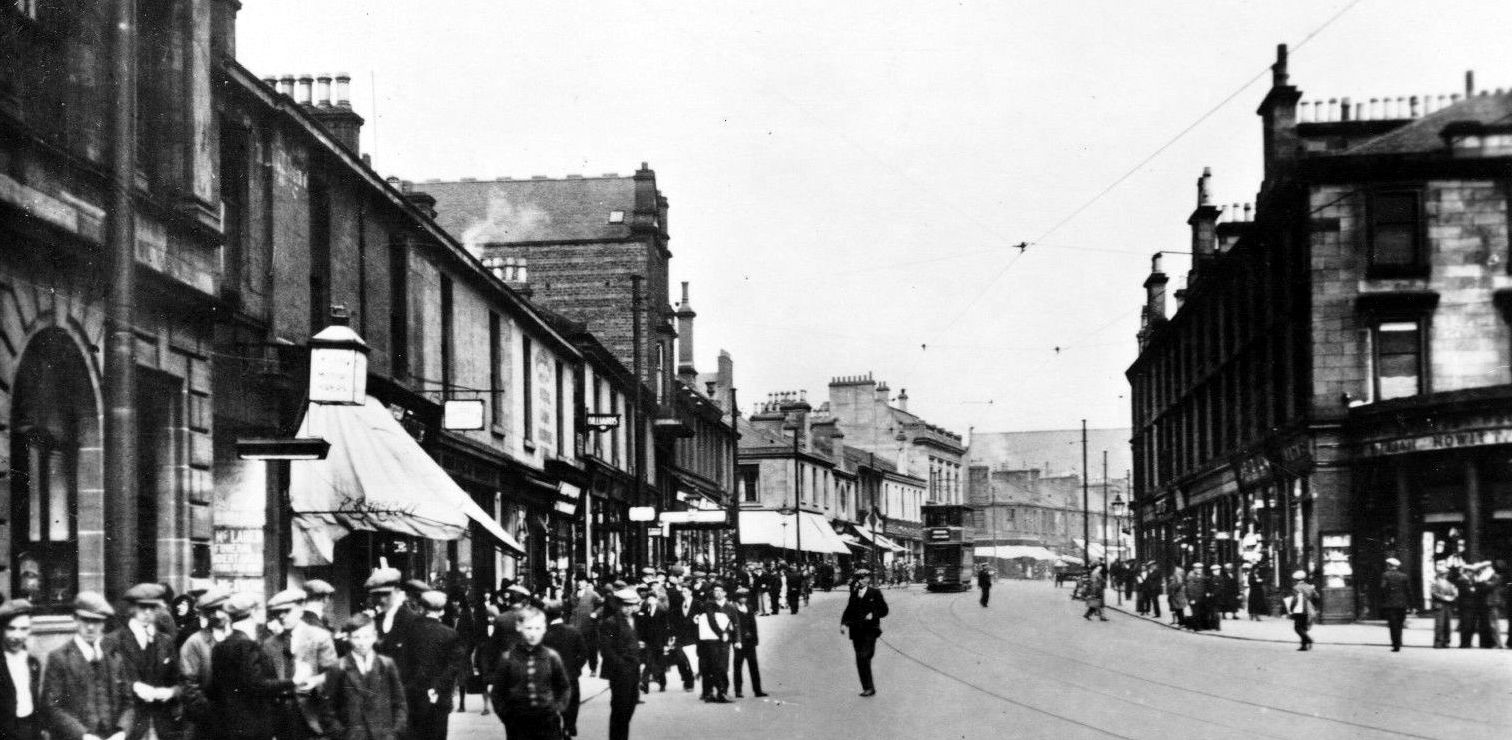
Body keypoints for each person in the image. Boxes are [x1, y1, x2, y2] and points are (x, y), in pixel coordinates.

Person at [43, 592, 132, 740]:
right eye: (85, 620)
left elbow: (128, 703)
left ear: (103, 624)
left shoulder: (114, 657)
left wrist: (121, 732)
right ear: (75, 619)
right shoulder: (59, 658)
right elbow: (52, 707)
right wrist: (83, 735)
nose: (90, 627)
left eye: (96, 621)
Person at [210, 593, 299, 739]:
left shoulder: (219, 647)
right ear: (253, 613)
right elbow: (257, 684)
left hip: (227, 725)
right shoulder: (248, 645)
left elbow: (214, 689)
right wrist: (293, 682)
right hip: (252, 726)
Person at [104, 583, 182, 740]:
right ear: (132, 609)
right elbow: (106, 684)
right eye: (142, 607)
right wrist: (133, 686)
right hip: (129, 726)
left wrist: (171, 692)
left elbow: (179, 680)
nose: (147, 612)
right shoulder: (113, 641)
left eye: (152, 607)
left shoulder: (165, 642)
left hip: (161, 725)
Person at [262, 588, 338, 740]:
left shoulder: (319, 637)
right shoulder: (269, 644)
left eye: (287, 611)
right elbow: (265, 682)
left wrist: (315, 681)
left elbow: (334, 675)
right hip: (281, 720)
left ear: (301, 608)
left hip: (312, 717)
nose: (282, 616)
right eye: (278, 612)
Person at [320, 614, 408, 740]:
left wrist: (394, 733)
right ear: (349, 638)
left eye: (367, 637)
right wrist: (342, 735)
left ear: (374, 636)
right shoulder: (339, 668)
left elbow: (400, 703)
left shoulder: (386, 664)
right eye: (357, 637)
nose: (362, 643)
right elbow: (327, 710)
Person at [492, 606, 573, 739]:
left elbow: (564, 687)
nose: (533, 633)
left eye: (537, 628)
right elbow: (497, 693)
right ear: (519, 627)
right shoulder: (508, 658)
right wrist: (506, 716)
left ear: (544, 629)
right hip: (518, 723)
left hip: (547, 722)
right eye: (528, 628)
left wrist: (557, 708)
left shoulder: (551, 657)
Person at [403, 591, 464, 740]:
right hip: (440, 697)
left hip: (413, 695)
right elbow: (453, 667)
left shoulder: (410, 631)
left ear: (422, 608)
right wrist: (437, 687)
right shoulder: (450, 634)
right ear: (442, 611)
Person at [179, 586, 231, 739]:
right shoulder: (195, 643)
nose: (218, 615)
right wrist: (212, 713)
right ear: (206, 614)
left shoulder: (238, 639)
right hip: (207, 721)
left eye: (221, 609)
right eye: (212, 611)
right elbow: (189, 685)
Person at [598, 588, 643, 740]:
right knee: (620, 711)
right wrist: (621, 665)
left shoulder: (634, 620)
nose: (629, 609)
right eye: (626, 605)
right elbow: (606, 649)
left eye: (632, 605)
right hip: (620, 673)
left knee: (630, 706)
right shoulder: (611, 623)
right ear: (619, 605)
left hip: (634, 670)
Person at [541, 601, 587, 738]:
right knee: (572, 704)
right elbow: (583, 653)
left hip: (550, 677)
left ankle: (556, 731)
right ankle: (568, 727)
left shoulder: (544, 635)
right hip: (571, 675)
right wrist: (576, 668)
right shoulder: (574, 631)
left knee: (552, 706)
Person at [839, 569, 888, 698]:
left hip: (870, 630)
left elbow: (884, 610)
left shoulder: (875, 593)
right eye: (859, 578)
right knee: (860, 660)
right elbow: (848, 610)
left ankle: (869, 687)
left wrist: (874, 614)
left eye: (864, 578)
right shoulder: (854, 593)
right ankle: (868, 688)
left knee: (864, 657)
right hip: (856, 631)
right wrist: (843, 623)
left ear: (867, 579)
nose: (861, 581)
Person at [0, 600, 40, 740]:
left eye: (23, 629)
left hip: (29, 731)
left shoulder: (33, 663)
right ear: (2, 629)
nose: (17, 636)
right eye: (11, 628)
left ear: (30, 630)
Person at [696, 585, 738, 703]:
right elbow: (710, 621)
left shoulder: (730, 606)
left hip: (723, 641)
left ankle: (721, 692)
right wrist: (721, 633)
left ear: (725, 593)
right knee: (713, 666)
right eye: (715, 591)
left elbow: (735, 624)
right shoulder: (709, 605)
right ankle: (716, 693)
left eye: (720, 591)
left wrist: (736, 640)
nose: (717, 593)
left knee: (722, 666)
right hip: (712, 640)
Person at [730, 587, 766, 699]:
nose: (743, 599)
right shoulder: (733, 608)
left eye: (745, 597)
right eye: (741, 597)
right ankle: (738, 690)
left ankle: (757, 690)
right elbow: (732, 626)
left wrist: (755, 639)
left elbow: (753, 624)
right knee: (738, 666)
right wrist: (735, 640)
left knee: (753, 666)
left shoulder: (749, 607)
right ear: (737, 598)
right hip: (739, 641)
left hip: (750, 642)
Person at [636, 591, 670, 693]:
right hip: (648, 641)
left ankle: (662, 683)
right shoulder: (644, 609)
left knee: (659, 663)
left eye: (652, 599)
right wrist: (641, 639)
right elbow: (641, 626)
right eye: (649, 599)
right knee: (648, 662)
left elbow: (665, 628)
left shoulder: (662, 611)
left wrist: (665, 644)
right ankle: (645, 684)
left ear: (656, 599)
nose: (650, 601)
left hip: (659, 641)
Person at [1379, 557, 1412, 652]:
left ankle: (1395, 644)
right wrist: (1410, 603)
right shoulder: (1404, 576)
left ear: (1389, 566)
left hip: (1390, 604)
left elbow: (1383, 588)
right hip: (1402, 604)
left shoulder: (1386, 575)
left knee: (1393, 625)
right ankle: (1399, 641)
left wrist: (1383, 600)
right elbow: (1408, 591)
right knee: (1400, 623)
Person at [1285, 570, 1319, 651]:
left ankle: (1309, 639)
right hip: (1308, 608)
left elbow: (1294, 600)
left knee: (1297, 627)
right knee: (1303, 627)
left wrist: (1291, 609)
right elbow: (1317, 596)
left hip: (1299, 608)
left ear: (1296, 579)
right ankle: (1303, 646)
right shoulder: (1309, 587)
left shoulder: (1296, 588)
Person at [1430, 562, 1458, 649]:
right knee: (1440, 624)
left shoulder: (1449, 584)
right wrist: (1444, 597)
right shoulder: (1435, 583)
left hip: (1448, 605)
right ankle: (1438, 642)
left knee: (1447, 624)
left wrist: (1453, 597)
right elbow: (1434, 593)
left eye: (1446, 574)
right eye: (1443, 574)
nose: (1445, 575)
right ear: (1439, 574)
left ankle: (1446, 641)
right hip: (1439, 605)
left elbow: (1454, 593)